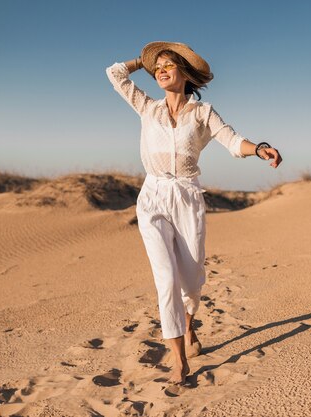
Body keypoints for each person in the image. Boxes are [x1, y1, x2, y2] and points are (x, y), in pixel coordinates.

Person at [106, 41, 282, 385]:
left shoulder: (203, 113)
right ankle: (178, 359)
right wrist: (144, 63)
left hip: (186, 197)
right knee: (166, 280)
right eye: (158, 68)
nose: (161, 71)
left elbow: (232, 141)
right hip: (153, 196)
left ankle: (188, 325)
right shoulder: (147, 107)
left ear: (186, 73)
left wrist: (259, 148)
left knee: (192, 279)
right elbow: (114, 73)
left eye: (169, 66)